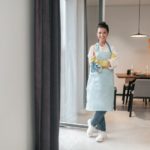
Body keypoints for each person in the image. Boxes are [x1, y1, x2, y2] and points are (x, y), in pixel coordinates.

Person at [86, 22, 117, 142]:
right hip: (96, 81)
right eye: (100, 32)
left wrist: (103, 63)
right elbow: (92, 63)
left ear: (107, 34)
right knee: (99, 105)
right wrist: (104, 63)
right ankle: (103, 132)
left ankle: (92, 124)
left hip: (107, 82)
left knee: (104, 106)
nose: (102, 35)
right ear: (97, 34)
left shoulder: (112, 48)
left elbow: (114, 63)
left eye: (104, 32)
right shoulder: (93, 48)